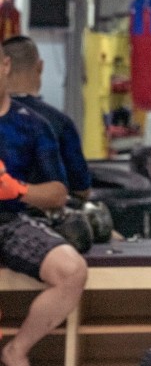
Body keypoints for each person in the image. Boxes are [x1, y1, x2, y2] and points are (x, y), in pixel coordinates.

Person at [0, 46, 88, 366]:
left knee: (72, 271)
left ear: (6, 65)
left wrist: (17, 189)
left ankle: (17, 350)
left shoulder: (34, 125)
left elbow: (58, 194)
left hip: (11, 221)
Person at [2, 36, 91, 202]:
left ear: (6, 66)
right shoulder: (58, 123)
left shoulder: (38, 125)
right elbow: (81, 190)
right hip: (40, 217)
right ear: (40, 67)